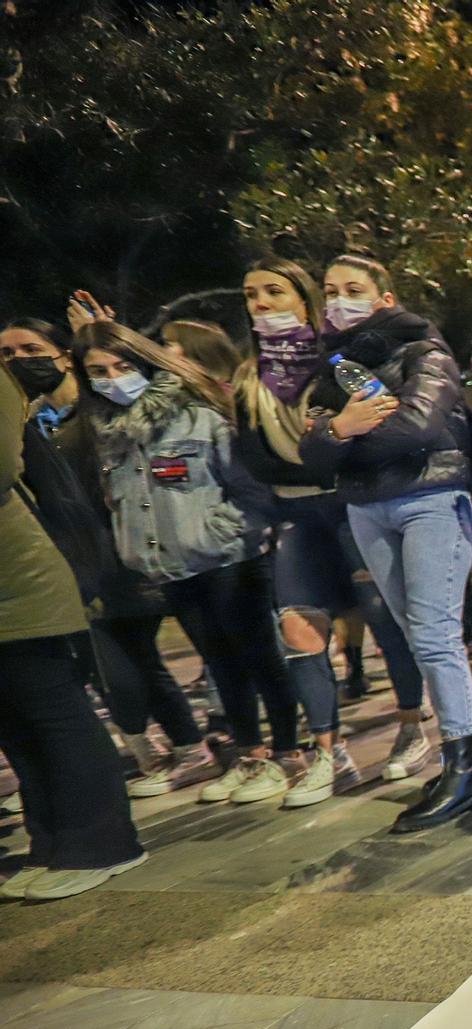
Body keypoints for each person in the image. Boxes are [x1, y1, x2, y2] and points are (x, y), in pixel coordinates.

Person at [297, 254, 472, 833]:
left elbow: (418, 427)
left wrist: (344, 433)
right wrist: (338, 429)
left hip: (430, 499)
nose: (338, 299)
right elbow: (309, 450)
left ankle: (462, 766)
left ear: (384, 297)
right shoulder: (331, 366)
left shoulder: (423, 350)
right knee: (415, 635)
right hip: (365, 506)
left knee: (435, 634)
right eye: (330, 290)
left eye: (353, 289)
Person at [72, 319, 301, 802]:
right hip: (172, 567)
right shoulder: (108, 433)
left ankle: (287, 752)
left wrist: (224, 533)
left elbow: (251, 492)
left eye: (122, 364)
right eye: (98, 370)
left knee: (260, 658)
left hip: (229, 559)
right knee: (220, 663)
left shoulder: (197, 414)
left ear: (145, 362)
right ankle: (250, 753)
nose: (112, 377)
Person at [233, 258, 430, 806]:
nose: (262, 304)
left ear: (304, 301)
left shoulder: (340, 361)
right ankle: (328, 751)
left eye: (274, 291)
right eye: (252, 296)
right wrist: (328, 442)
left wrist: (330, 445)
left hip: (351, 505)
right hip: (298, 514)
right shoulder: (250, 377)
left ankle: (413, 727)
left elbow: (376, 431)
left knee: (384, 617)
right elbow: (257, 460)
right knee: (297, 628)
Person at [2, 318, 211, 797]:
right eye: (7, 354)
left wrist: (104, 331)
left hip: (131, 554)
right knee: (115, 665)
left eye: (30, 348)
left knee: (145, 660)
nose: (17, 361)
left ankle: (196, 746)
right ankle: (157, 750)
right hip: (73, 563)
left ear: (62, 355)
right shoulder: (25, 425)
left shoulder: (100, 415)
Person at [0, 360, 147, 902]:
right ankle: (52, 842)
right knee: (14, 722)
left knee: (53, 710)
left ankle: (104, 843)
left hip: (18, 583)